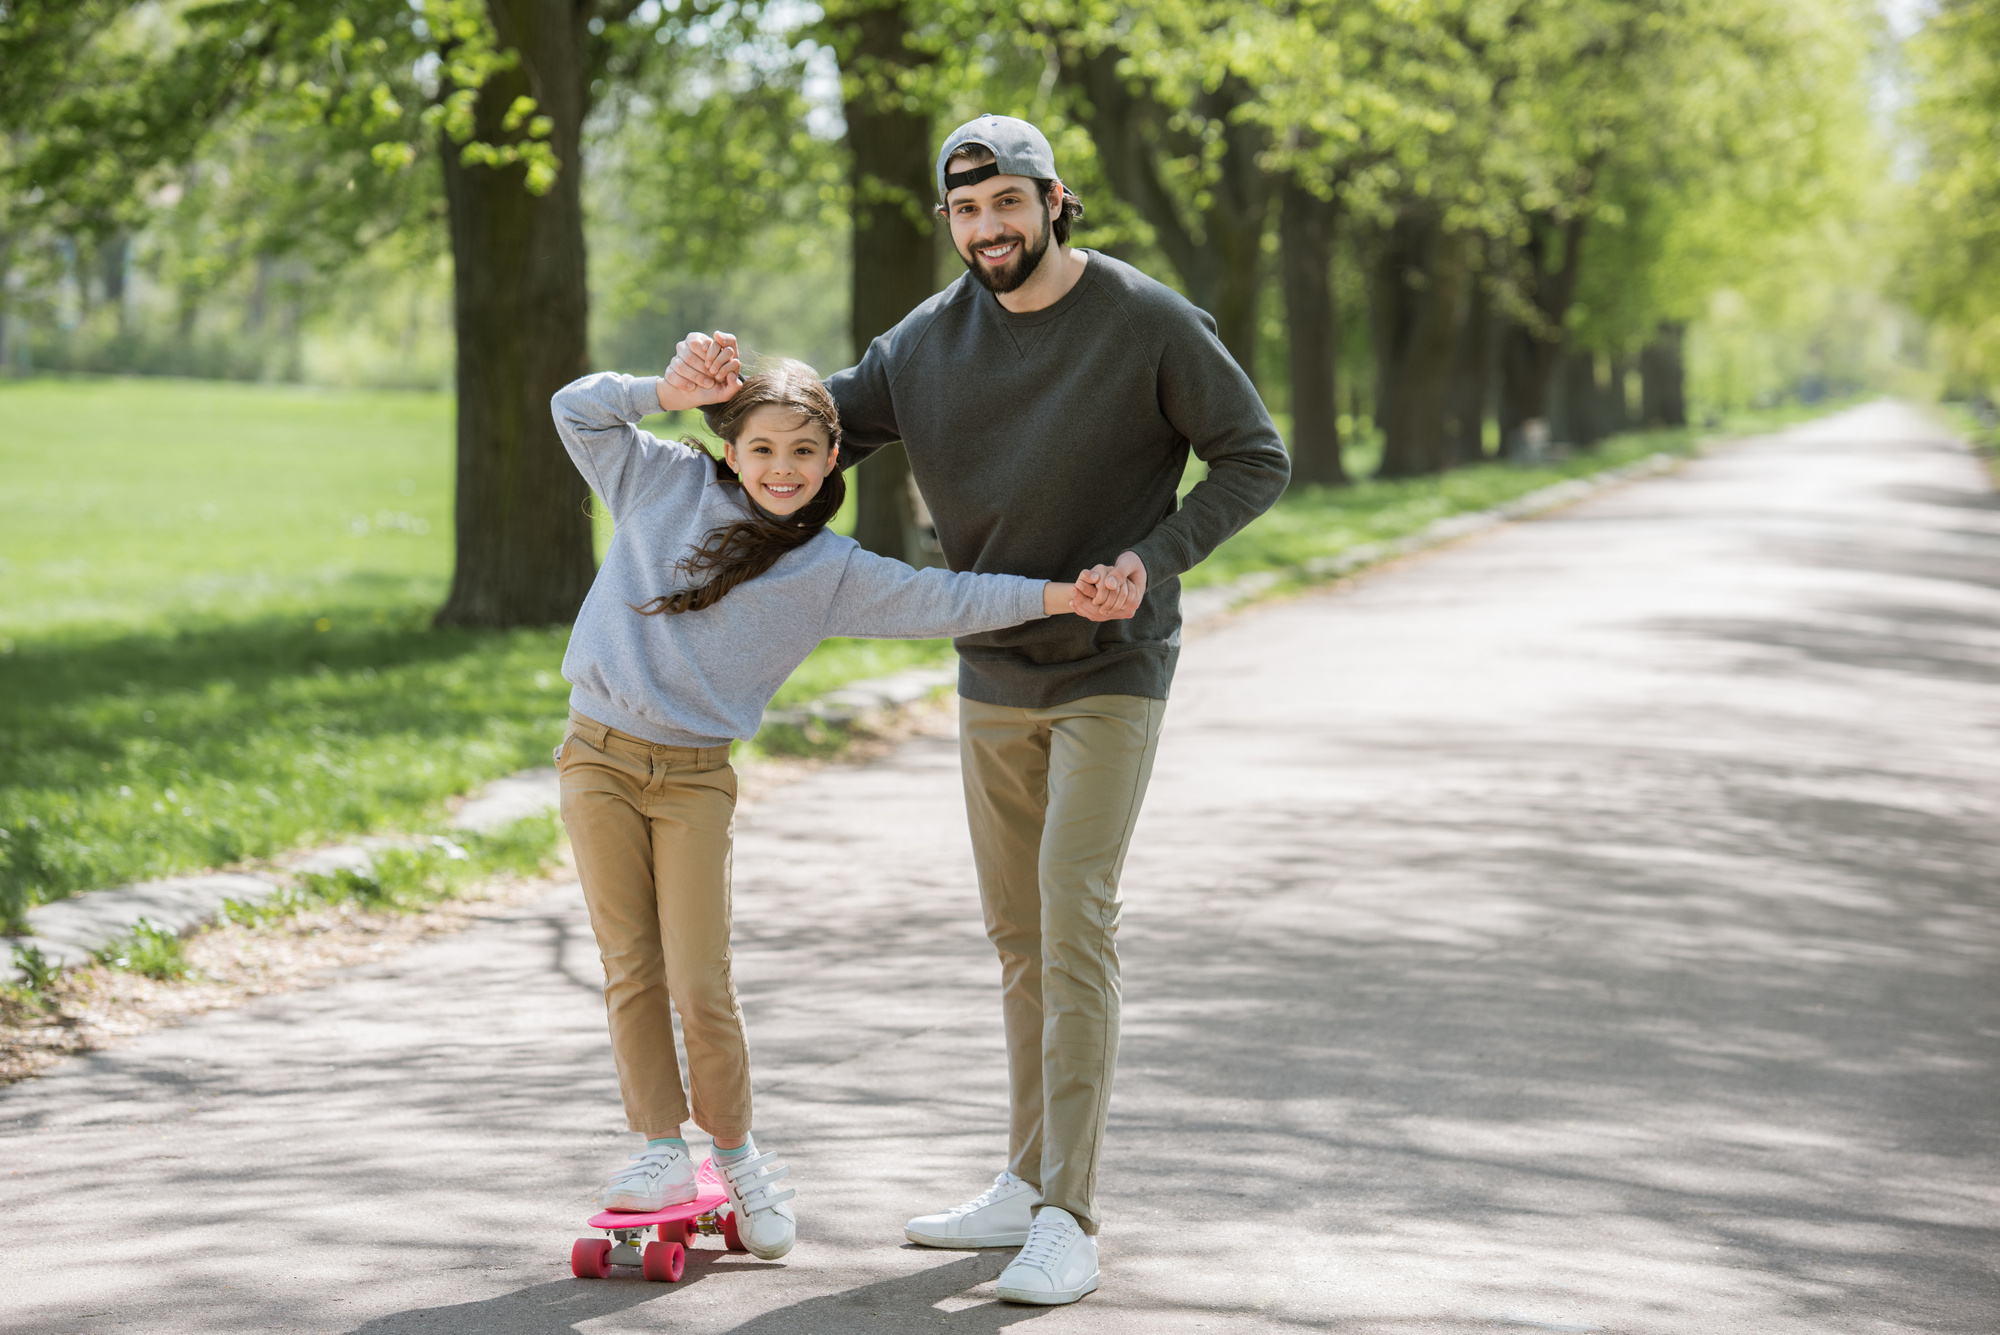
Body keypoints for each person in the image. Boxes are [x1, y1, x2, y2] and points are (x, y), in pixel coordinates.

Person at [665, 114, 1290, 1305]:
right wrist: (712, 394)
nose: (986, 227)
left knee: (1073, 920)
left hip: (1112, 662)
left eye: (1006, 203)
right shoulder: (921, 346)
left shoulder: (1145, 320)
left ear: (1054, 201)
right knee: (1017, 940)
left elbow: (1254, 456)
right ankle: (1022, 1175)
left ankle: (1070, 1214)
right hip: (992, 666)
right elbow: (800, 437)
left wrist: (1156, 558)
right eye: (964, 210)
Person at [550, 359, 1081, 1263]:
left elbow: (945, 599)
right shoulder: (661, 479)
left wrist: (1063, 595)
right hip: (595, 754)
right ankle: (660, 1152)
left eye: (803, 450)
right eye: (761, 448)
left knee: (699, 977)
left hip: (694, 777)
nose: (781, 467)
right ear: (731, 449)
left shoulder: (826, 567)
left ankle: (737, 1152)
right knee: (629, 965)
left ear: (835, 457)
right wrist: (664, 390)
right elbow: (575, 409)